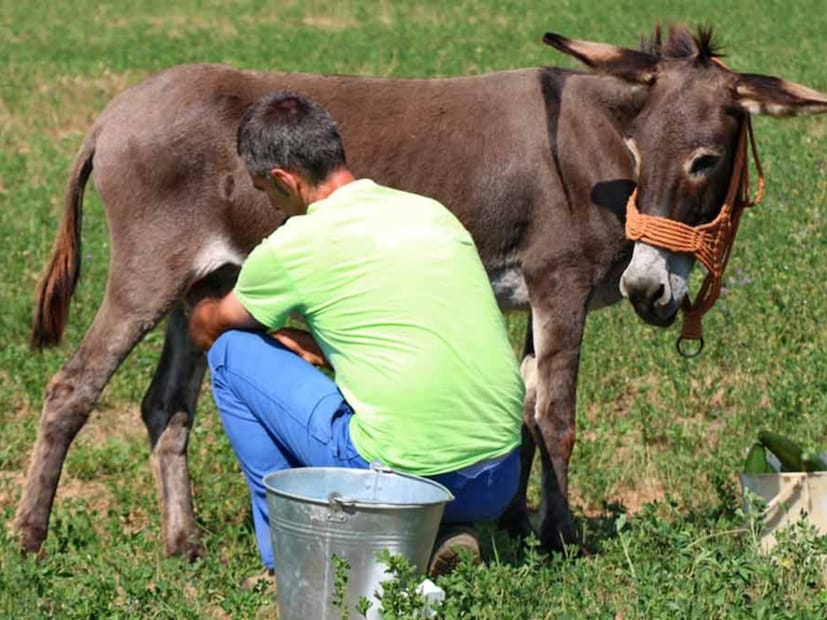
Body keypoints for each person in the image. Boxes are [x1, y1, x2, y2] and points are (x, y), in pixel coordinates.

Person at [188, 91, 524, 578]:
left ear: (283, 179)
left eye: (265, 191)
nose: (270, 204)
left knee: (230, 354)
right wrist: (318, 343)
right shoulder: (430, 212)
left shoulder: (292, 245)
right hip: (498, 477)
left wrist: (199, 296)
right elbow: (403, 329)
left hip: (399, 480)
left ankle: (291, 553)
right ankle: (438, 532)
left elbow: (210, 329)